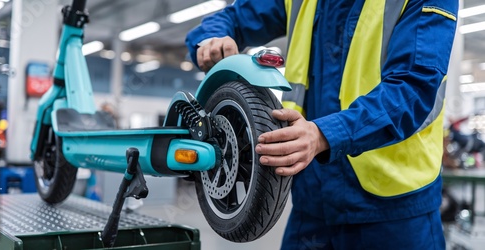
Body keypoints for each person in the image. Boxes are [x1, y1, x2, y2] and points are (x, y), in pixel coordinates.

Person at [186, 0, 458, 249]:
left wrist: (324, 135)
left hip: (395, 212)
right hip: (311, 202)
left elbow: (412, 89)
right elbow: (235, 16)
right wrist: (211, 38)